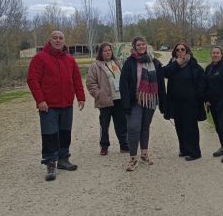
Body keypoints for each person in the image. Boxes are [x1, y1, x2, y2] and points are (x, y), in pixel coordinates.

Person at [27, 31, 85, 181]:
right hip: (48, 105)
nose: (58, 40)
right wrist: (40, 100)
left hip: (66, 103)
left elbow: (76, 79)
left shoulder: (69, 59)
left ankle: (63, 159)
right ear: (49, 40)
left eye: (61, 38)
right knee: (50, 134)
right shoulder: (40, 58)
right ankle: (50, 163)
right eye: (55, 38)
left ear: (64, 41)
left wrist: (81, 97)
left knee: (65, 133)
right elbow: (32, 80)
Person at [119, 37, 166, 171]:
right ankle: (133, 158)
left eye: (143, 44)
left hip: (150, 100)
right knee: (134, 127)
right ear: (134, 47)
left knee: (145, 126)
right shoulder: (130, 62)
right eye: (138, 45)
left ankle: (144, 154)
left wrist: (163, 102)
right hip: (135, 100)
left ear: (147, 45)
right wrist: (126, 103)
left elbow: (161, 83)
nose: (141, 46)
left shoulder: (154, 62)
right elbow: (124, 84)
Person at [163, 43, 206, 161]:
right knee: (179, 126)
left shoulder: (193, 64)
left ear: (187, 51)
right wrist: (177, 63)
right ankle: (184, 149)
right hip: (176, 102)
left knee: (190, 127)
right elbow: (164, 73)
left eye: (183, 49)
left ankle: (195, 152)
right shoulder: (172, 64)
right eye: (178, 50)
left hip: (190, 103)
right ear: (175, 52)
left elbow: (201, 82)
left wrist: (197, 96)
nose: (180, 51)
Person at [86, 42, 129, 156]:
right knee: (104, 124)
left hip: (119, 99)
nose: (107, 52)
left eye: (109, 50)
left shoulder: (118, 62)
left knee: (122, 123)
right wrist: (98, 94)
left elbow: (125, 78)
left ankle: (124, 145)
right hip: (105, 100)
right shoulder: (95, 66)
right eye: (104, 50)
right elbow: (91, 83)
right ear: (100, 52)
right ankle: (104, 146)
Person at [204, 46, 223, 163]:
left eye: (218, 53)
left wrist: (222, 102)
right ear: (211, 55)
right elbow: (206, 85)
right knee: (217, 126)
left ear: (222, 55)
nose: (215, 55)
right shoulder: (209, 68)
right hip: (212, 103)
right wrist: (206, 99)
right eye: (213, 53)